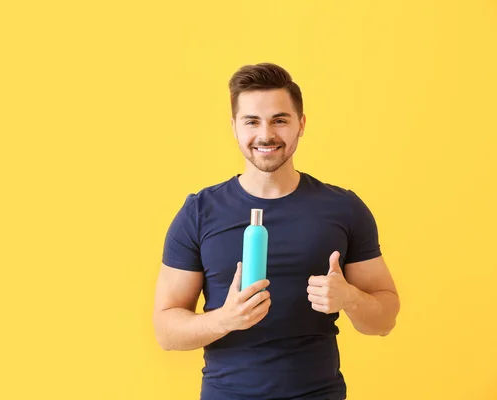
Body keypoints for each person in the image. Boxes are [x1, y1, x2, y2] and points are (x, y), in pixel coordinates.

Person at [152, 63, 400, 400]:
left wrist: (349, 298)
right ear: (234, 127)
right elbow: (166, 331)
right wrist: (224, 319)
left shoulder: (343, 208)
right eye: (251, 121)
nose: (266, 134)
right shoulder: (199, 212)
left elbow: (384, 321)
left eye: (279, 120)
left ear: (301, 124)